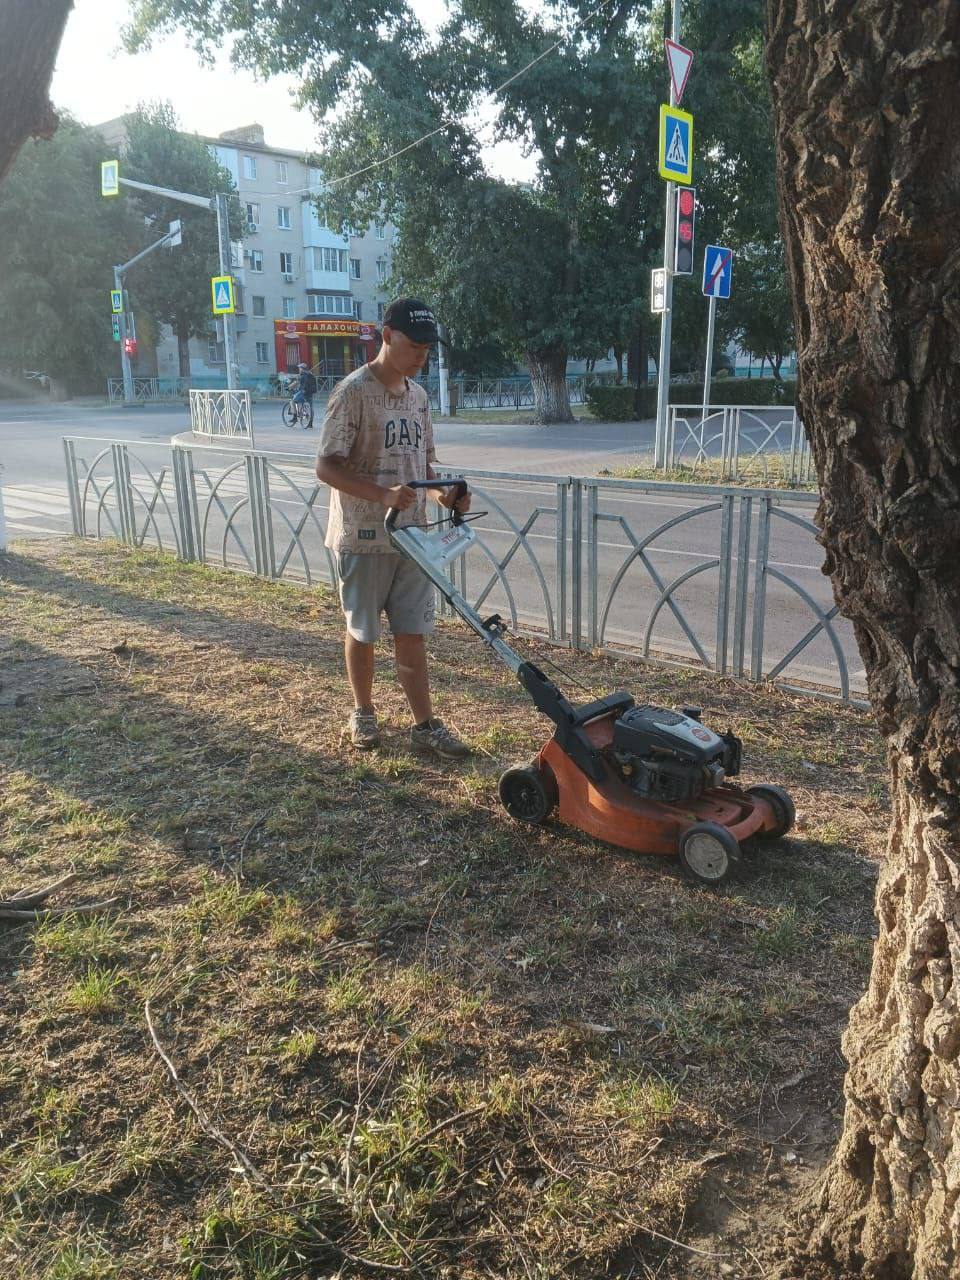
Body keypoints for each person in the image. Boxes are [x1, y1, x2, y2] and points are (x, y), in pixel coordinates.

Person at [315, 298, 471, 757]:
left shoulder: (419, 397)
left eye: (428, 347)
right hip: (362, 537)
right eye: (415, 344)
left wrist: (448, 495)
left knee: (412, 632)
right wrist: (383, 495)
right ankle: (363, 712)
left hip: (413, 538)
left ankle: (424, 725)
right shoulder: (352, 392)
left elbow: (421, 468)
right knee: (362, 630)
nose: (423, 354)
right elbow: (325, 467)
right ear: (386, 336)